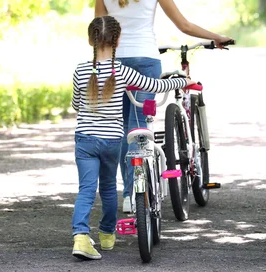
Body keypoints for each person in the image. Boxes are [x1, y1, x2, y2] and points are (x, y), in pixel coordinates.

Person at [94, 0, 232, 213]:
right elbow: (183, 25)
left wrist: (96, 67)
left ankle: (129, 194)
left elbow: (98, 30)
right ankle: (140, 189)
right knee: (140, 127)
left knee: (122, 129)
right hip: (145, 62)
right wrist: (215, 36)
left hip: (114, 64)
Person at [71, 16, 194, 260]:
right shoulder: (124, 72)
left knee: (86, 189)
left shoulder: (80, 71)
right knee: (107, 188)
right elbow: (154, 86)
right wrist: (185, 80)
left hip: (84, 139)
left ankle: (81, 237)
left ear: (90, 40)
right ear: (117, 41)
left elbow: (76, 104)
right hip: (111, 141)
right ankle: (107, 234)